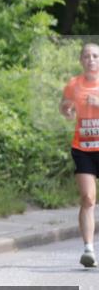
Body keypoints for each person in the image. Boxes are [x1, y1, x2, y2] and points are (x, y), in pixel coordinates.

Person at [60, 42, 99, 268]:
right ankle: (88, 250)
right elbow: (64, 106)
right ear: (81, 60)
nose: (91, 59)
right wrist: (66, 109)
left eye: (95, 56)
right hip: (83, 148)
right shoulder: (74, 84)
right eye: (87, 56)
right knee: (87, 198)